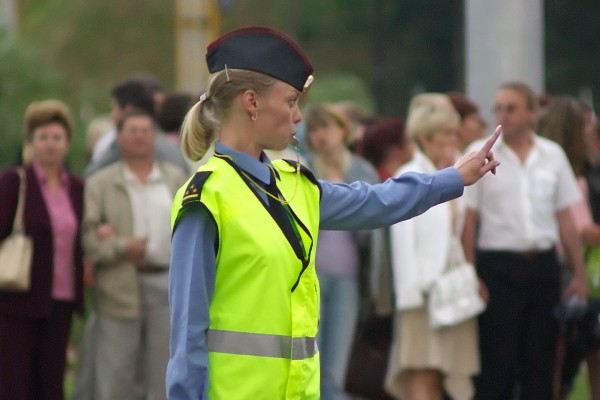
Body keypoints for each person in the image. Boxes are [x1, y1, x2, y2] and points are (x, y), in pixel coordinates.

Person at [166, 26, 500, 400]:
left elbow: (377, 201)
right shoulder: (206, 198)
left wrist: (453, 178)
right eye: (291, 101)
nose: (298, 118)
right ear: (251, 102)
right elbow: (187, 333)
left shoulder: (291, 185)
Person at [462, 82, 588, 400]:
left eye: (512, 107)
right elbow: (470, 220)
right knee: (498, 360)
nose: (503, 115)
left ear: (532, 112)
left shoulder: (552, 155)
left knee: (541, 359)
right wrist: (470, 272)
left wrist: (579, 274)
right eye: (499, 108)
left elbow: (565, 219)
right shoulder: (482, 153)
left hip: (543, 265)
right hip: (499, 267)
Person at [82, 109, 187, 399]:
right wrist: (122, 245)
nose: (139, 136)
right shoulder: (100, 184)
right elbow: (90, 242)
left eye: (145, 130)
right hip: (118, 289)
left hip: (166, 286)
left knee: (163, 377)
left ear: (154, 137)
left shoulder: (174, 178)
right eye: (132, 131)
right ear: (119, 138)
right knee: (116, 379)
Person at [384, 93, 481, 400]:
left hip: (451, 291)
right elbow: (402, 241)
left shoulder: (454, 176)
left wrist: (469, 275)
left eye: (455, 132)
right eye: (446, 133)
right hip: (421, 295)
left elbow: (455, 238)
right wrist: (410, 294)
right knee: (423, 370)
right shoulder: (409, 176)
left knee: (442, 373)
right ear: (425, 138)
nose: (454, 138)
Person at [0, 99, 85, 400]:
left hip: (61, 301)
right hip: (17, 300)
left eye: (57, 138)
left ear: (67, 143)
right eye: (43, 137)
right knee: (14, 382)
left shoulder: (76, 188)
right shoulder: (14, 182)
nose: (50, 145)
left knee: (51, 383)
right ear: (31, 142)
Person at [303, 103, 380, 399]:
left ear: (342, 130)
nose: (320, 136)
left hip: (349, 279)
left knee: (336, 366)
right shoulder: (304, 167)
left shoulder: (362, 170)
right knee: (312, 357)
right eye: (314, 130)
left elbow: (374, 231)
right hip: (312, 279)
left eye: (326, 128)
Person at [538, 96, 600, 399]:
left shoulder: (582, 170)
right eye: (586, 124)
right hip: (566, 264)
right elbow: (576, 227)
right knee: (559, 349)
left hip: (572, 264)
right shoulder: (564, 172)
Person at [85, 78, 190, 177]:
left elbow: (92, 174)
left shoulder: (123, 142)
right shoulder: (175, 147)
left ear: (128, 109)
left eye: (114, 108)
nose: (112, 115)